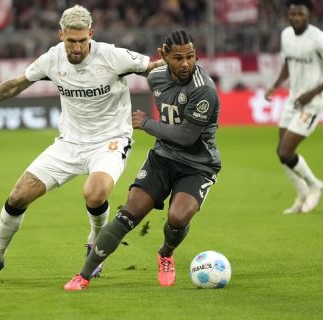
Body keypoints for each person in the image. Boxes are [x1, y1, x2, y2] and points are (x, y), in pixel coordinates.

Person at [0, 5, 163, 280]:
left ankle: (94, 248)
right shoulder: (52, 59)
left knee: (95, 193)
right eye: (70, 41)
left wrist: (177, 68)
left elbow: (151, 69)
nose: (76, 48)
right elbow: (15, 84)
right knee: (18, 196)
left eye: (82, 41)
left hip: (110, 140)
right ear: (60, 35)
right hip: (69, 144)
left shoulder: (112, 55)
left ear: (91, 34)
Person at [64, 30, 221, 290]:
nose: (185, 64)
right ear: (163, 56)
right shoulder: (156, 77)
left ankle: (166, 254)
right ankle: (83, 275)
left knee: (178, 217)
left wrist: (147, 123)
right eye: (178, 57)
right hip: (162, 159)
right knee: (129, 214)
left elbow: (186, 137)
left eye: (190, 57)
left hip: (198, 165)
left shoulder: (203, 90)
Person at [265, 0, 323, 214]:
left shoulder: (320, 39)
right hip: (294, 100)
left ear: (308, 16)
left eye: (301, 14)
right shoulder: (286, 35)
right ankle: (301, 194)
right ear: (288, 16)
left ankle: (315, 185)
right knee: (281, 152)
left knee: (285, 151)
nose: (296, 18)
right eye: (293, 15)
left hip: (313, 102)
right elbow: (288, 63)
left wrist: (312, 93)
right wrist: (275, 85)